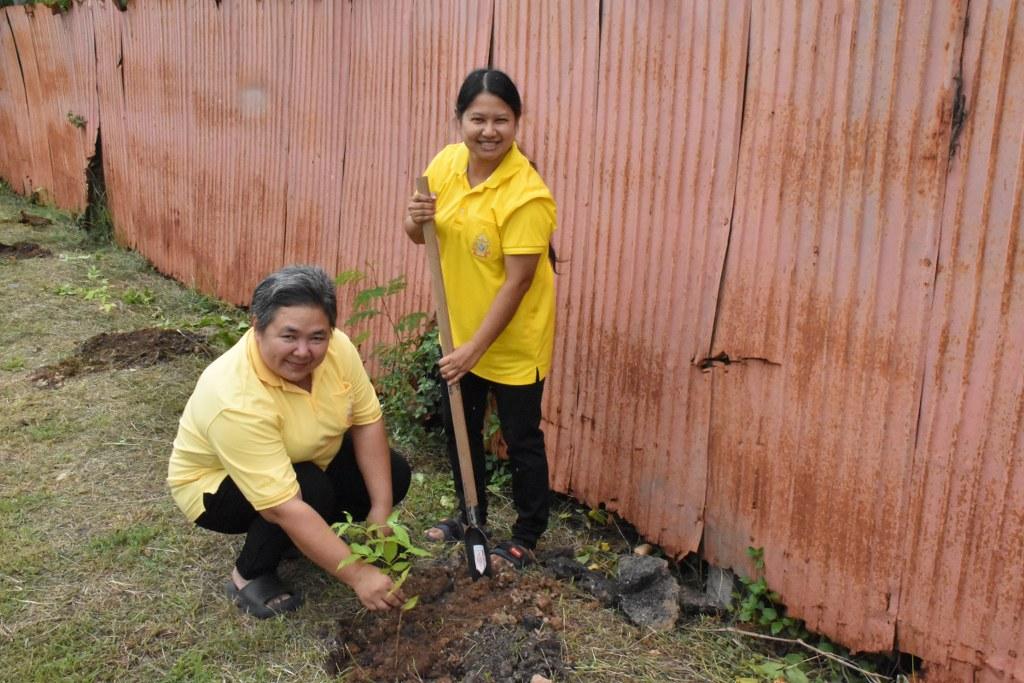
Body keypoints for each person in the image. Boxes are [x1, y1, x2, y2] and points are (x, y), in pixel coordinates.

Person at [167, 265, 412, 618]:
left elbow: (367, 421)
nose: (304, 351)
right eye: (289, 336)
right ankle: (247, 575)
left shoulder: (338, 349)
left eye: (317, 336)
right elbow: (280, 505)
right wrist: (358, 575)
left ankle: (304, 541)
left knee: (394, 472)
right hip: (214, 486)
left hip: (305, 455)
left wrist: (380, 510)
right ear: (257, 326)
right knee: (309, 490)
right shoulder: (233, 396)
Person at [403, 68, 557, 570]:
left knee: (520, 439)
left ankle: (528, 534)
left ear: (517, 123)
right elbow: (418, 234)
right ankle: (471, 515)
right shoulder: (447, 165)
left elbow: (518, 283)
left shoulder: (526, 195)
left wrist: (475, 351)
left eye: (501, 120)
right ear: (460, 121)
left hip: (511, 340)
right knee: (461, 427)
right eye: (478, 119)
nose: (488, 131)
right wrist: (414, 217)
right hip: (459, 330)